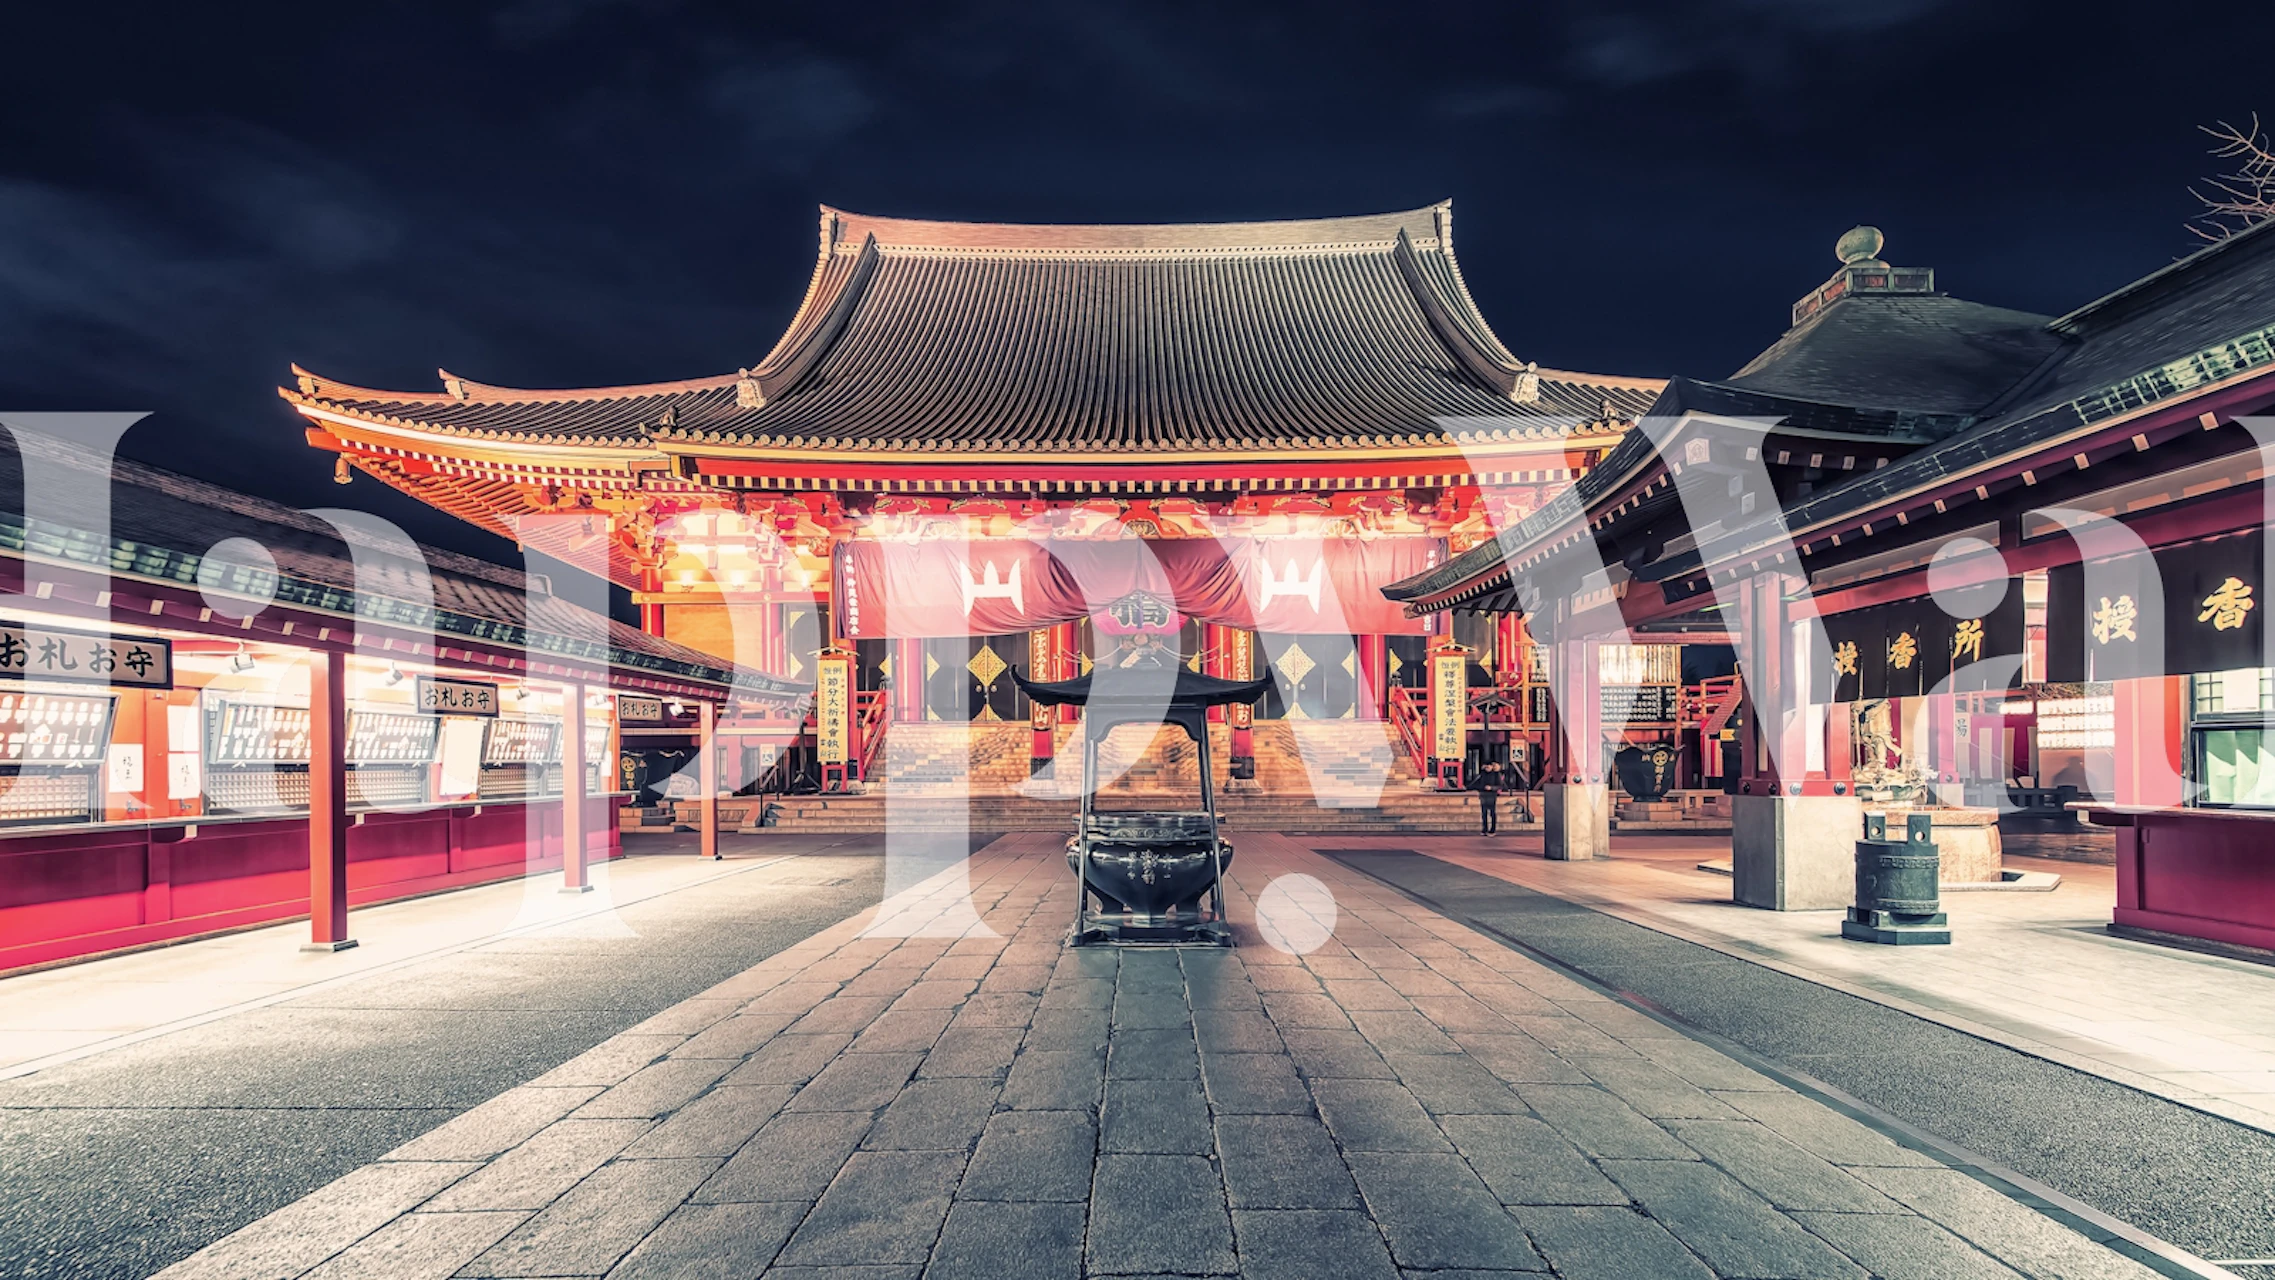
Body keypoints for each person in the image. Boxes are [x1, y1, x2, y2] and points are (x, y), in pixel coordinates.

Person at [1471, 760, 1503, 835]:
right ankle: (1484, 828)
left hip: (1492, 795)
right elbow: (1476, 784)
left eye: (1489, 766)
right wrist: (1481, 788)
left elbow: (1500, 785)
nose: (1488, 767)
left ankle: (1493, 829)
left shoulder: (1496, 774)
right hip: (1483, 795)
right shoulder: (1482, 774)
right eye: (1486, 766)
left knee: (1492, 813)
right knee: (1484, 813)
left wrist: (1491, 788)